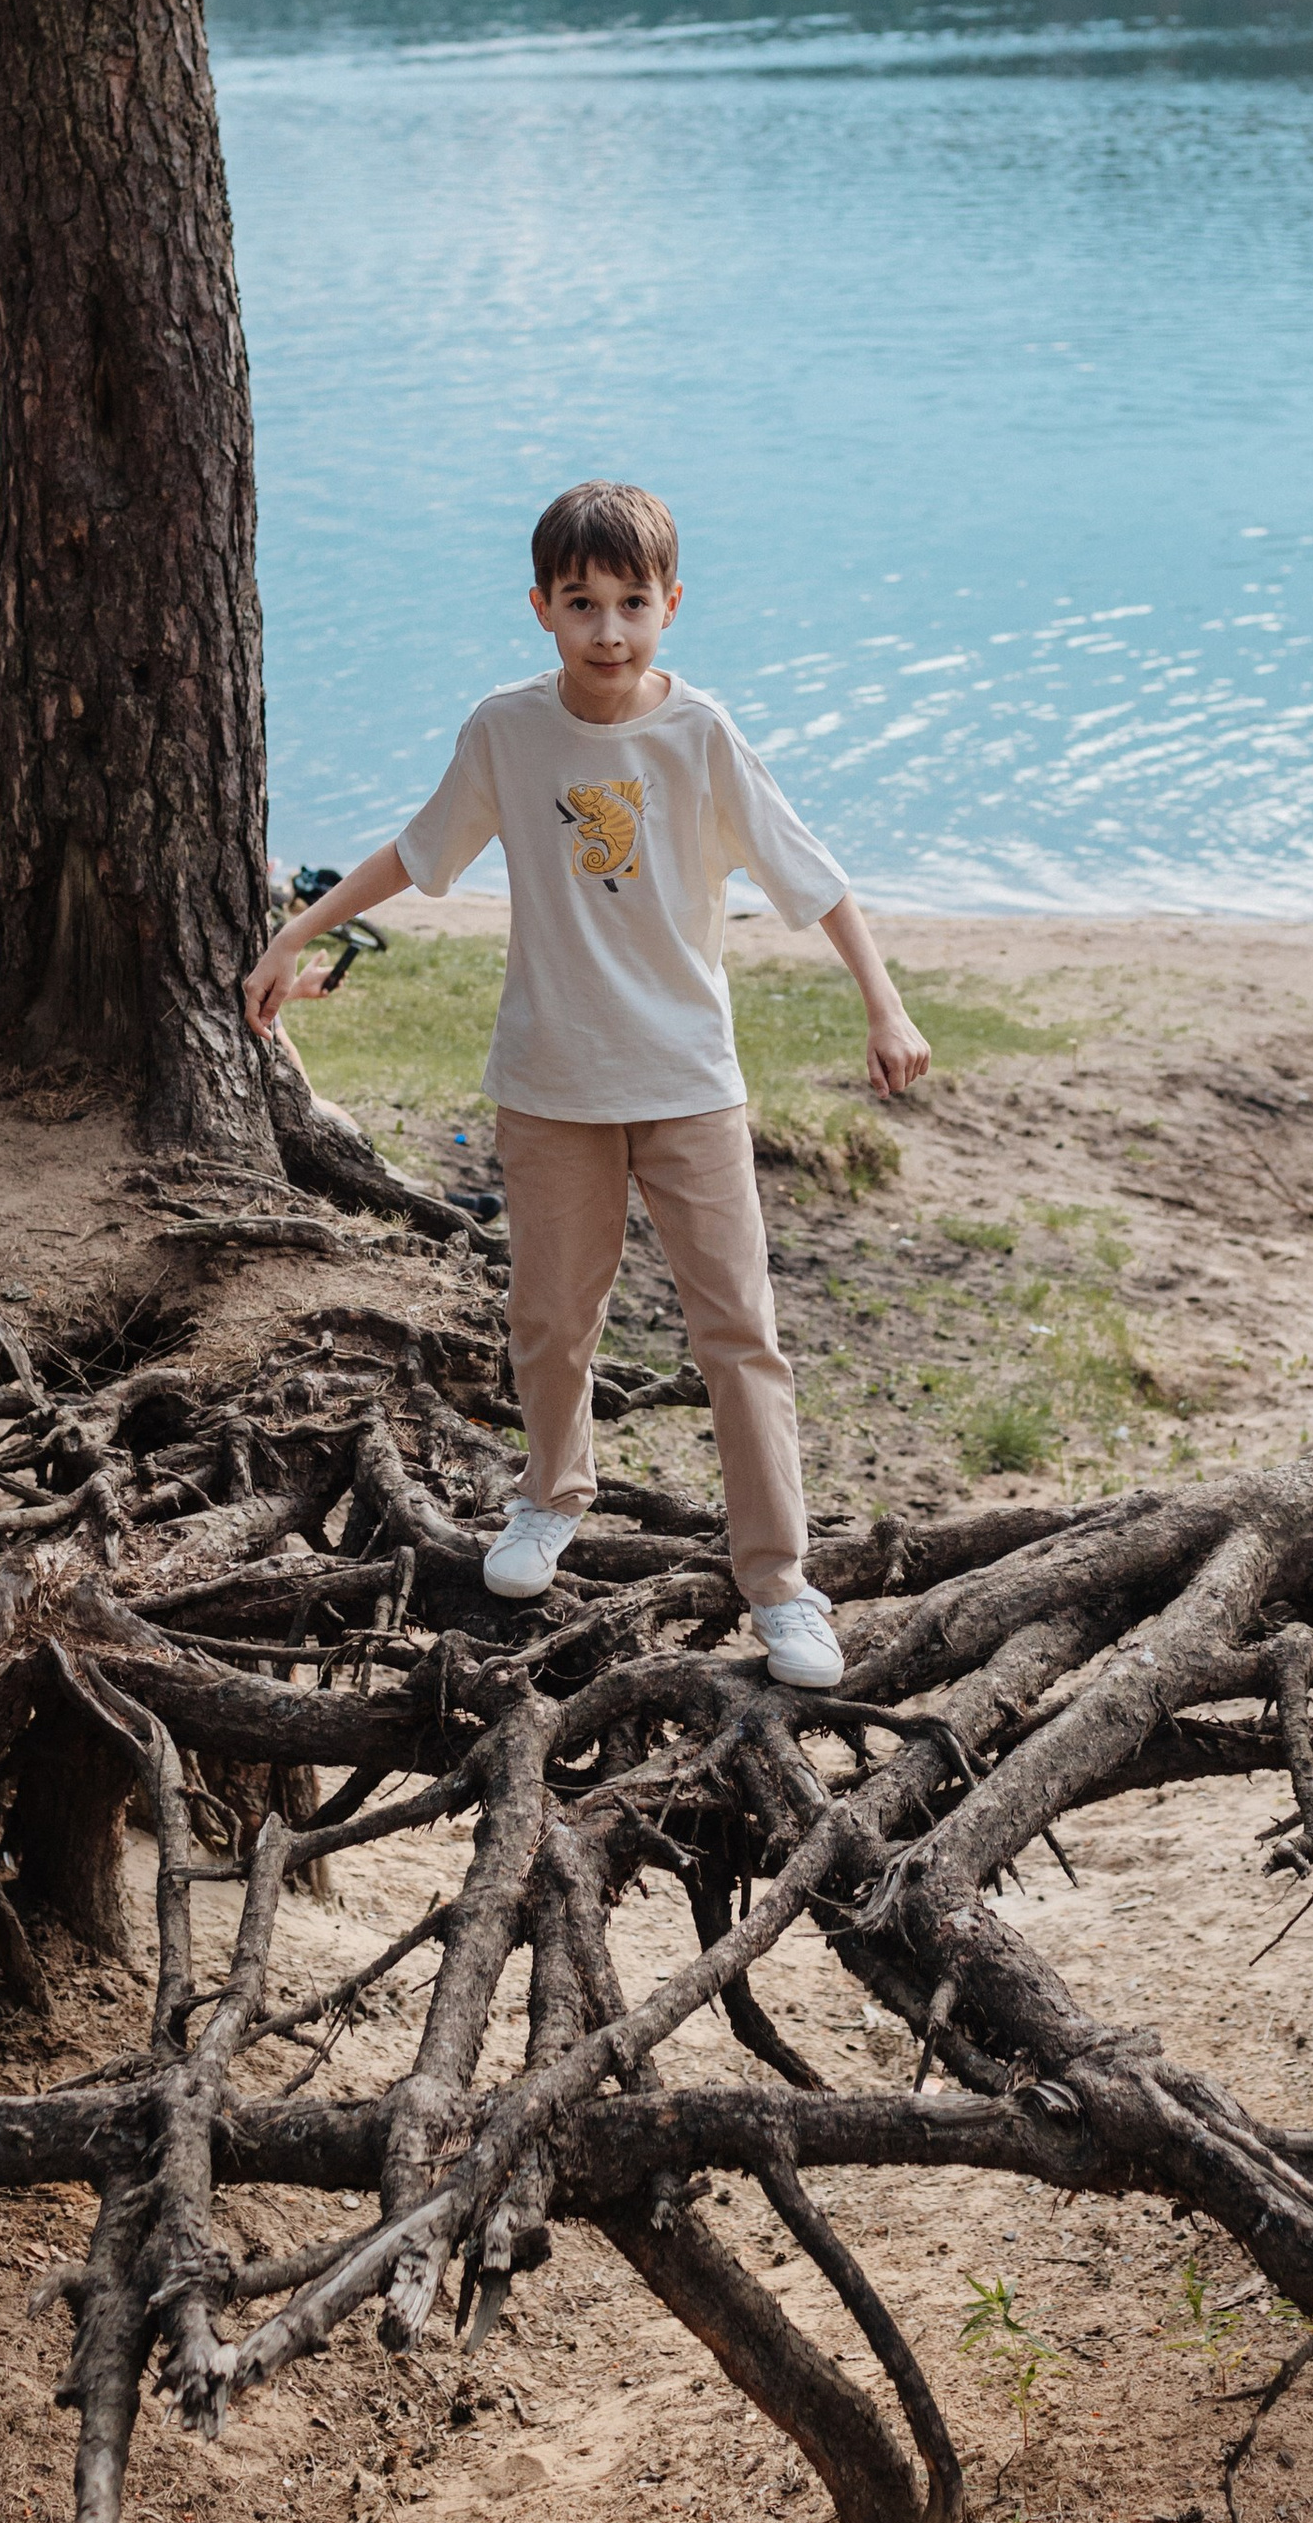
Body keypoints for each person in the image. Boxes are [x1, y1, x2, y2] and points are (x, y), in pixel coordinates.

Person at [243, 480, 930, 1689]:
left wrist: (885, 1002)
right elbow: (421, 848)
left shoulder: (700, 734)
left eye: (630, 604)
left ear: (670, 605)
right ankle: (552, 1496)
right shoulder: (506, 733)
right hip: (551, 1083)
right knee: (551, 1319)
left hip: (688, 1083)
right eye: (581, 605)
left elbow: (810, 876)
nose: (608, 631)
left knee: (739, 1335)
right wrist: (300, 932)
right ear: (542, 609)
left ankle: (779, 1579)